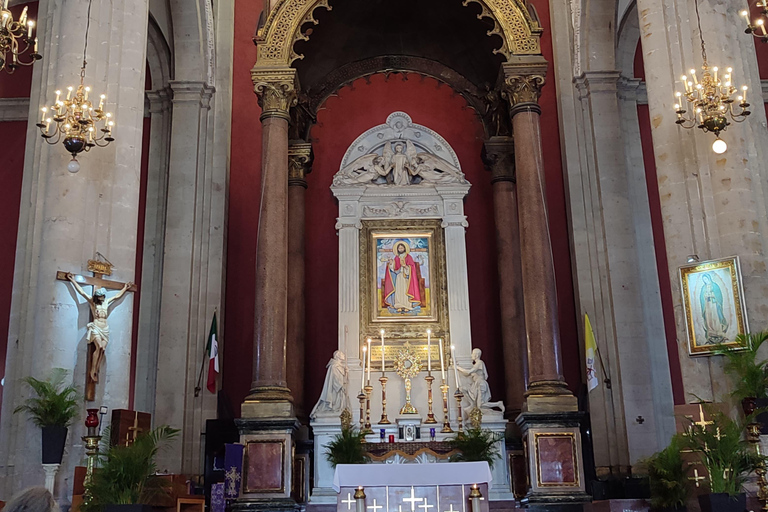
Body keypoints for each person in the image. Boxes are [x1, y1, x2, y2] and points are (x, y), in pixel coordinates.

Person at [66, 273, 132, 382]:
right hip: (96, 326)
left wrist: (125, 288)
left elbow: (116, 296)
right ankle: (92, 370)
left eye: (103, 296)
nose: (102, 298)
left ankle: (96, 368)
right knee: (99, 347)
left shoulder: (106, 302)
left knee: (103, 349)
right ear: (97, 296)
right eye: (101, 296)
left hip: (104, 327)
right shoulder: (93, 303)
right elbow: (81, 292)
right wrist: (73, 281)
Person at [456, 348, 505, 413]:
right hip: (476, 385)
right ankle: (472, 404)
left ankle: (498, 404)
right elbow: (467, 374)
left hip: (481, 384)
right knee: (462, 389)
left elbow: (468, 372)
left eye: (472, 354)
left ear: (476, 355)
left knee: (480, 406)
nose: (471, 355)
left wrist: (457, 367)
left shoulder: (480, 363)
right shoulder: (476, 365)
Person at [383, 241, 422, 313]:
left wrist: (405, 266)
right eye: (399, 248)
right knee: (399, 291)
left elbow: (412, 267)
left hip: (406, 278)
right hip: (399, 276)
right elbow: (394, 269)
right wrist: (391, 264)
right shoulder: (396, 258)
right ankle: (399, 306)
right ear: (397, 249)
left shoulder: (408, 257)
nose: (401, 249)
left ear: (404, 248)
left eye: (402, 248)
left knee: (405, 291)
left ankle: (407, 306)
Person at [310, 350, 350, 419]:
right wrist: (340, 386)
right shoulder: (334, 366)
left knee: (339, 402)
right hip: (335, 389)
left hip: (339, 388)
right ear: (337, 356)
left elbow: (343, 379)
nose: (344, 355)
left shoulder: (340, 366)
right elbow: (334, 378)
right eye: (342, 354)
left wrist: (346, 373)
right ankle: (332, 408)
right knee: (335, 401)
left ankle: (336, 409)